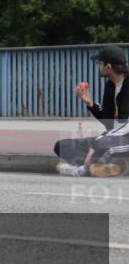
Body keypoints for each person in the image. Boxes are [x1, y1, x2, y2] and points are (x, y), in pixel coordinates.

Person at [55, 46, 129, 177]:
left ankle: (84, 169)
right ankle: (101, 167)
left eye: (99, 63)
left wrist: (99, 141)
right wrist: (89, 103)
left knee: (101, 144)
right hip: (113, 137)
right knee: (61, 145)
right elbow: (108, 122)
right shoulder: (110, 85)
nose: (98, 66)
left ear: (108, 67)